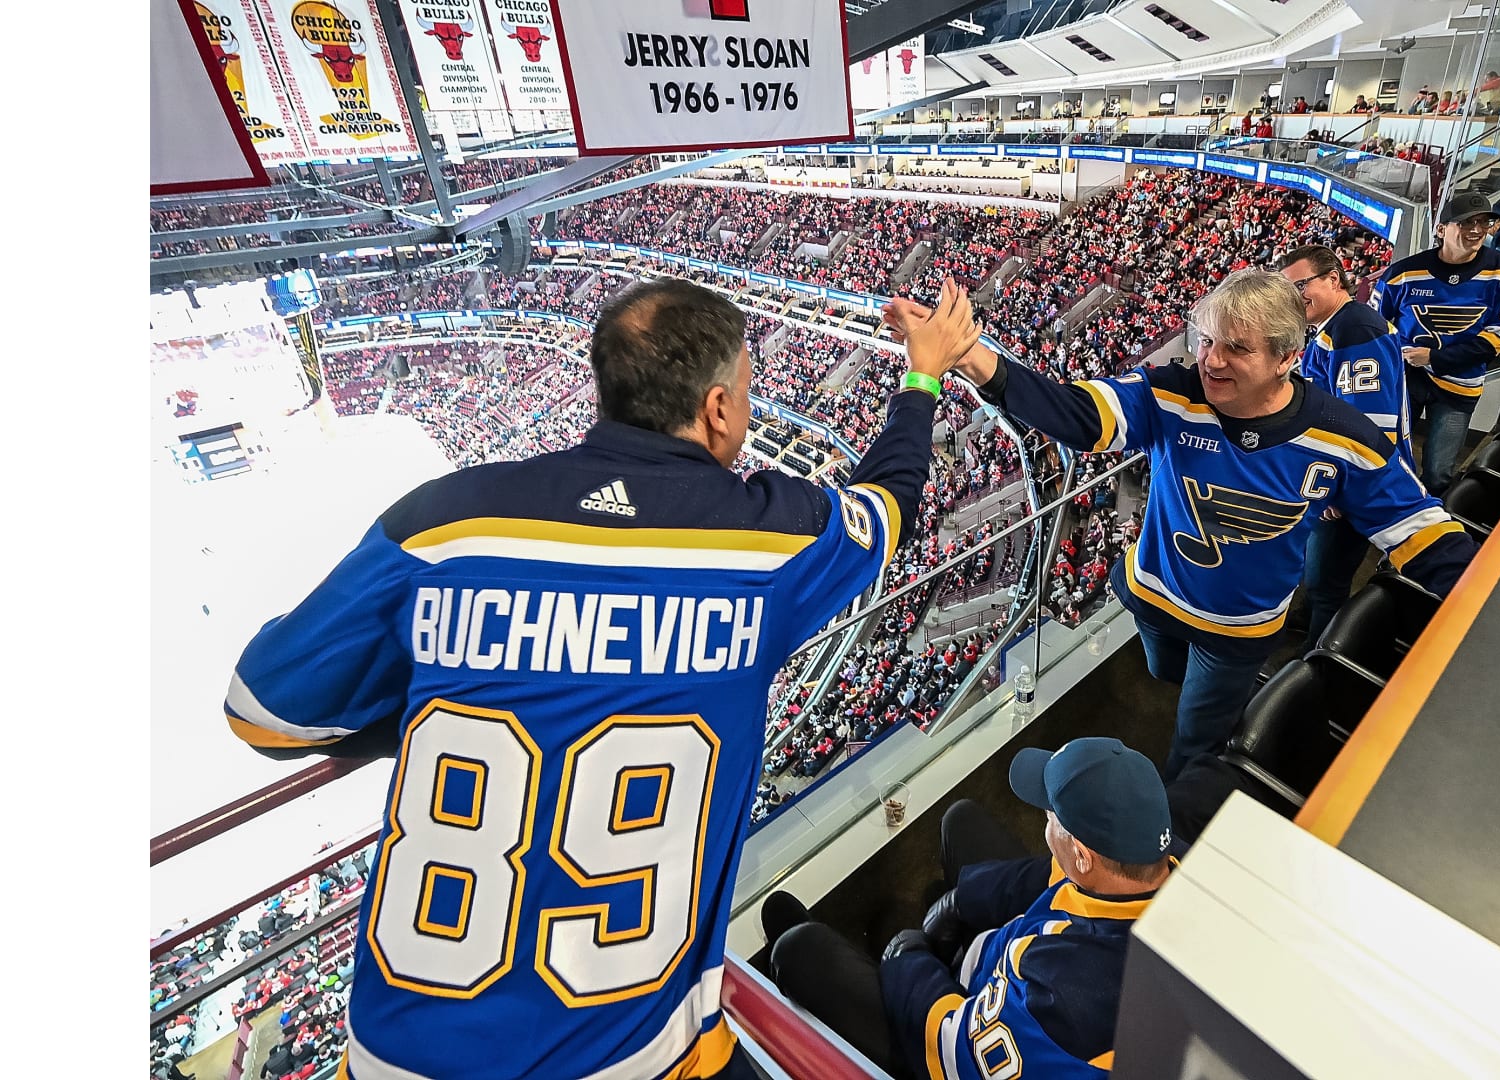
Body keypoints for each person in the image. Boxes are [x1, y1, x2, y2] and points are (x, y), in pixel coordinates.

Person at [222, 278, 983, 1080]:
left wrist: (450, 691)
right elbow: (889, 504)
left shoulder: (447, 520)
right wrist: (922, 373)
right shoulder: (768, 541)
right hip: (637, 1055)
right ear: (720, 408)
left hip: (392, 1055)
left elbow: (262, 713)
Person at [885, 271, 1475, 780]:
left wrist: (1484, 602)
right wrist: (972, 358)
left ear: (1287, 358)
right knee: (1163, 670)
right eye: (1207, 339)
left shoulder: (1344, 437)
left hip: (1236, 631)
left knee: (1195, 743)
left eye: (1237, 349)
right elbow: (1078, 415)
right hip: (1150, 595)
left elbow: (1417, 525)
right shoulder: (1170, 394)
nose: (1212, 360)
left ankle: (1165, 853)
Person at [763, 738, 1176, 1078]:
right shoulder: (1152, 865)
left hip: (981, 1032)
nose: (1045, 825)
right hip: (1007, 966)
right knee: (960, 821)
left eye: (1050, 819)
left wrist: (909, 963)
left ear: (1083, 855)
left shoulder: (1067, 1003)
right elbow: (1046, 875)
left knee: (799, 952)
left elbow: (955, 1048)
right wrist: (962, 899)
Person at [1280, 245, 1413, 644]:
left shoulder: (1354, 330)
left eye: (1301, 285)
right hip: (1347, 474)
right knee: (1319, 575)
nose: (1294, 297)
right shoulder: (1339, 325)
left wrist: (1342, 487)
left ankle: (1318, 662)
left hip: (1357, 480)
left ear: (1333, 279)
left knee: (1327, 581)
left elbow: (1370, 422)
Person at [1372, 192, 1500, 495]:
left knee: (1439, 471)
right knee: (1390, 457)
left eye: (1483, 222)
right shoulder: (1401, 273)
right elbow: (1377, 328)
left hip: (1461, 383)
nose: (1476, 229)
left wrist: (1434, 358)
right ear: (1441, 229)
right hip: (1406, 379)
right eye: (1466, 222)